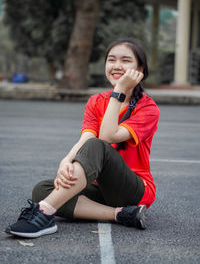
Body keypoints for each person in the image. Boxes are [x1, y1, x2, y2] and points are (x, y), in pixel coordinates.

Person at [5, 38, 160, 238]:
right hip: (100, 187)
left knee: (98, 146)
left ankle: (43, 214)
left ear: (140, 69)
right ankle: (120, 215)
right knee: (43, 190)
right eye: (111, 60)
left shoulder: (148, 108)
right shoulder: (96, 101)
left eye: (126, 60)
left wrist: (119, 90)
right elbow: (86, 138)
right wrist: (66, 161)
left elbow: (106, 137)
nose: (117, 66)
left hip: (134, 189)